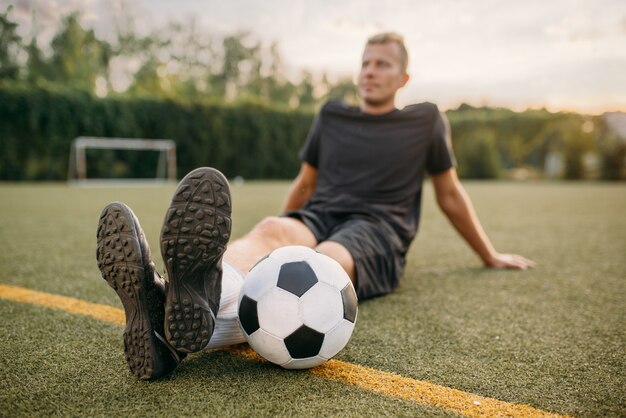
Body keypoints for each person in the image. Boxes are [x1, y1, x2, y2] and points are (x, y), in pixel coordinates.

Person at [96, 32, 534, 380]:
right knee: (270, 231)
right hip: (319, 213)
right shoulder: (331, 115)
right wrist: (282, 228)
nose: (370, 71)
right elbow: (306, 184)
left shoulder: (425, 119)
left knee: (318, 266)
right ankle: (202, 286)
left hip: (377, 229)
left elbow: (450, 193)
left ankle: (168, 322)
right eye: (365, 63)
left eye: (383, 64)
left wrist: (489, 255)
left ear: (403, 78)